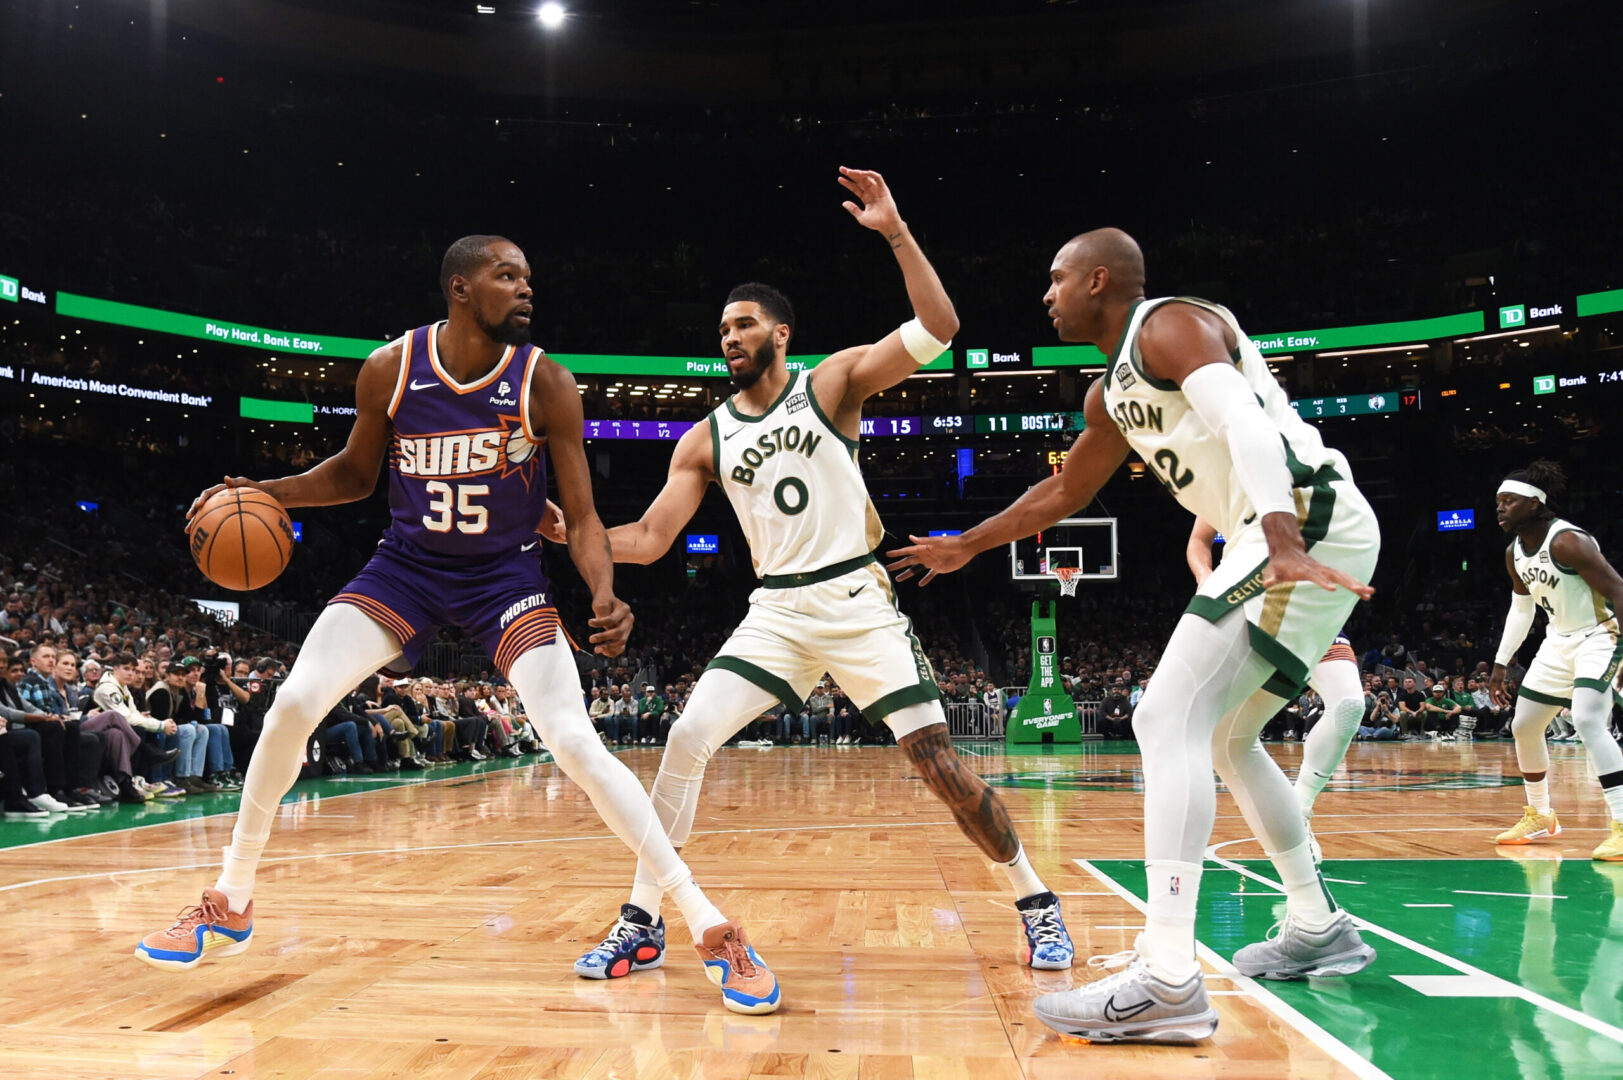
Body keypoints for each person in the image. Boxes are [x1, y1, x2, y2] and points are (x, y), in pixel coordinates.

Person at [135, 234, 777, 1015]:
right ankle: (231, 896)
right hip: (404, 569)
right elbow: (353, 474)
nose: (525, 288)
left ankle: (706, 925)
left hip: (504, 576)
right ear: (461, 289)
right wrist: (263, 491)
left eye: (528, 277)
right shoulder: (391, 368)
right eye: (508, 276)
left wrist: (603, 591)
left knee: (574, 740)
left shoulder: (548, 383)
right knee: (294, 703)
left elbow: (579, 516)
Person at [552, 168, 1073, 986]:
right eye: (721, 327)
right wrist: (575, 532)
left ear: (781, 334)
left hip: (855, 596)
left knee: (936, 762)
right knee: (684, 740)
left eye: (744, 323)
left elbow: (938, 327)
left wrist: (894, 231)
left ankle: (1035, 900)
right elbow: (650, 540)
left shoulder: (829, 384)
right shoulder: (704, 437)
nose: (728, 337)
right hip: (776, 611)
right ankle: (641, 922)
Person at [888, 228, 1380, 1043]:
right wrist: (968, 543)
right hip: (1297, 530)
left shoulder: (1167, 324)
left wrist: (1283, 535)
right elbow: (1064, 491)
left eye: (1056, 279)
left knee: (1162, 717)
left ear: (1098, 280)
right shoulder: (1109, 392)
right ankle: (1314, 923)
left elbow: (1246, 425)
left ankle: (1166, 977)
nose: (1044, 295)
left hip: (1299, 520)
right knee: (1229, 740)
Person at [1189, 518, 1366, 830]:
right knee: (1229, 740)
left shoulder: (1314, 474)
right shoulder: (1223, 478)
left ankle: (1300, 810)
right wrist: (1205, 577)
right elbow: (1199, 540)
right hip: (1249, 602)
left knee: (1349, 704)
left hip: (1308, 603)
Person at [1487, 461, 1623, 861]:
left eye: (1508, 501)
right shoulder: (1514, 552)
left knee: (1586, 719)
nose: (1500, 508)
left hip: (1599, 634)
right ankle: (1541, 816)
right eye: (1498, 502)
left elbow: (1618, 590)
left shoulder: (1567, 542)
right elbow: (1521, 610)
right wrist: (1500, 663)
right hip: (1558, 640)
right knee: (1524, 726)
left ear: (1534, 504)